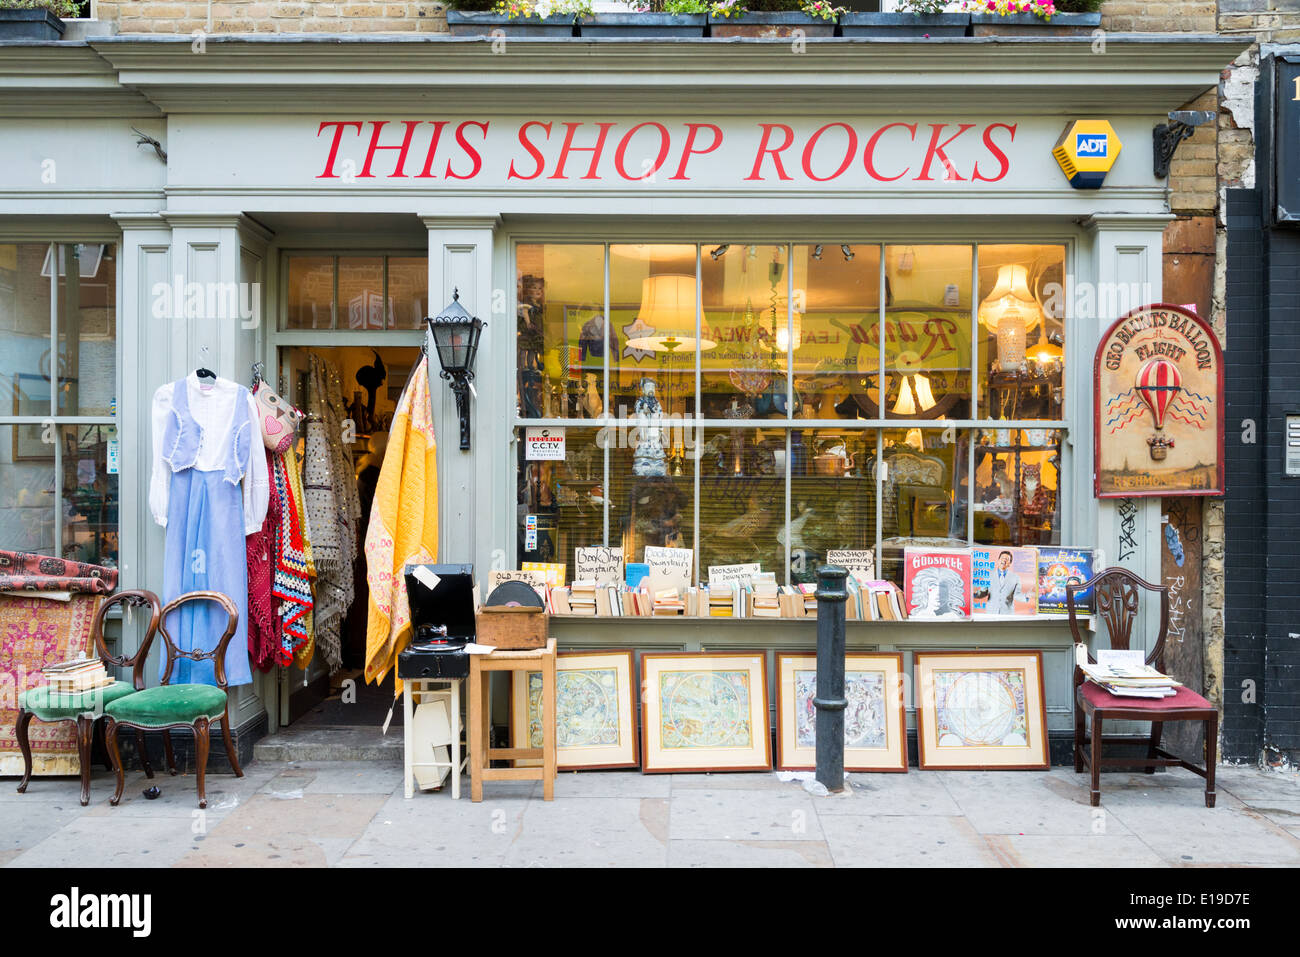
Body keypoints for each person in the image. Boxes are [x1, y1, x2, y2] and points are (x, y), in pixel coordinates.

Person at [989, 549, 1020, 615]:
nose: (1004, 560)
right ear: (998, 560)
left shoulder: (1016, 577)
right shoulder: (989, 575)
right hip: (991, 613)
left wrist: (1026, 597)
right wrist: (975, 594)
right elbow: (983, 592)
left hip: (1007, 614)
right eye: (1002, 558)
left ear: (1010, 564)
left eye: (1007, 559)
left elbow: (1017, 594)